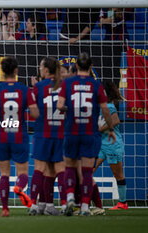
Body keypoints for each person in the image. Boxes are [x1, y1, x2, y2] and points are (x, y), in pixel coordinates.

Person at [57, 52, 116, 216]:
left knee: (69, 166)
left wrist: (72, 109)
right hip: (90, 132)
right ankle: (84, 207)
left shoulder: (67, 83)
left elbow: (60, 106)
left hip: (72, 131)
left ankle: (69, 196)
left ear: (76, 66)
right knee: (87, 171)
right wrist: (111, 129)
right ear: (90, 67)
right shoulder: (96, 85)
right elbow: (105, 109)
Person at [0, 57, 33, 217]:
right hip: (18, 134)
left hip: (1, 134)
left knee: (4, 173)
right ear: (16, 71)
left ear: (2, 71)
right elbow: (36, 113)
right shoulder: (24, 90)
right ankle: (19, 187)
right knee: (22, 171)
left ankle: (5, 209)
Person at [28, 57, 66, 216]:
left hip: (43, 132)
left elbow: (33, 110)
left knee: (39, 169)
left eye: (41, 66)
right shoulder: (63, 85)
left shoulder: (38, 87)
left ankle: (33, 204)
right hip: (60, 132)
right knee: (59, 170)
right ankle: (63, 205)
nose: (39, 68)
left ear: (45, 70)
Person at [94, 81, 127, 210]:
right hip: (100, 145)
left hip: (113, 144)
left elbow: (116, 121)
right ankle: (85, 201)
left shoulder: (109, 106)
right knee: (89, 170)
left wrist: (98, 130)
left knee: (118, 174)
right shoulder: (97, 105)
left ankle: (123, 203)